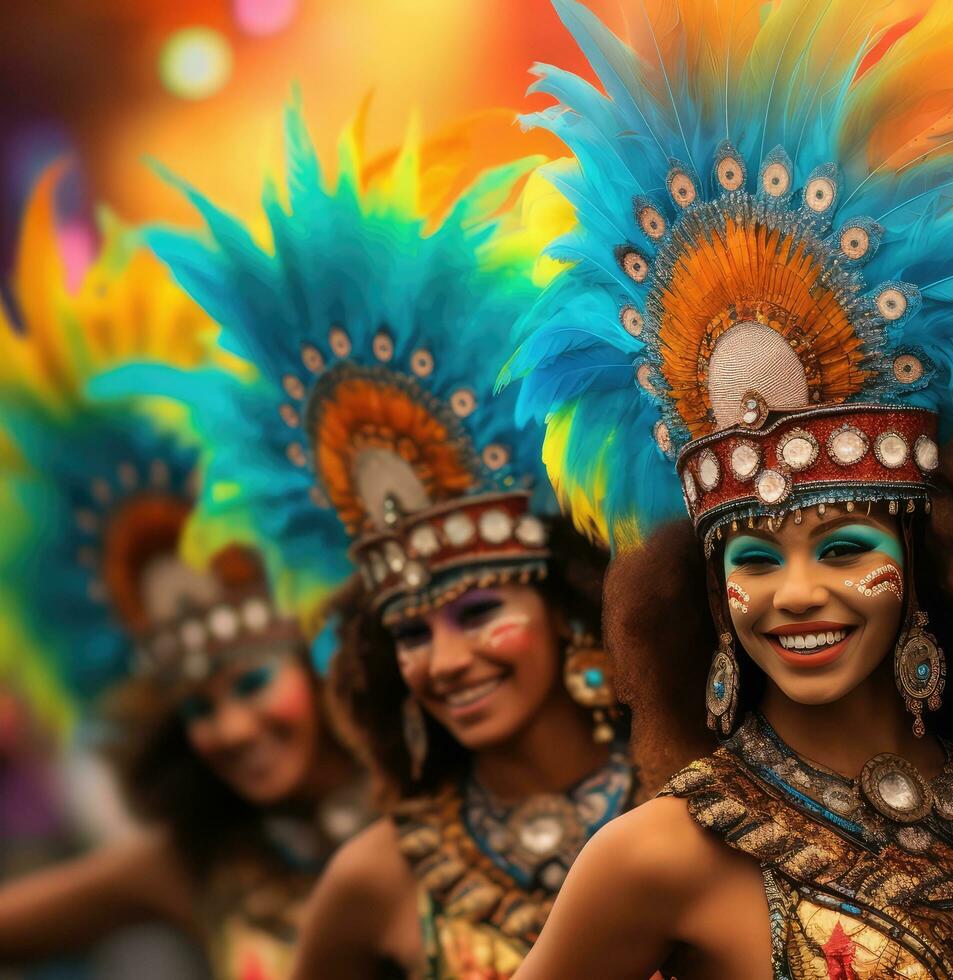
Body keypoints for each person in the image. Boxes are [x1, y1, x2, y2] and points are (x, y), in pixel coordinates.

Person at [502, 1, 953, 976]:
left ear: (925, 560)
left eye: (845, 548)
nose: (797, 591)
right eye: (757, 559)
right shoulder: (657, 859)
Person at [133, 100, 634, 978]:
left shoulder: (694, 801)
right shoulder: (374, 879)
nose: (445, 659)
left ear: (566, 611)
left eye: (479, 610)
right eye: (411, 631)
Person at [0, 166, 366, 980]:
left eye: (249, 684)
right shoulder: (199, 862)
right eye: (201, 705)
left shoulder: (440, 806)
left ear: (316, 660)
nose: (233, 729)